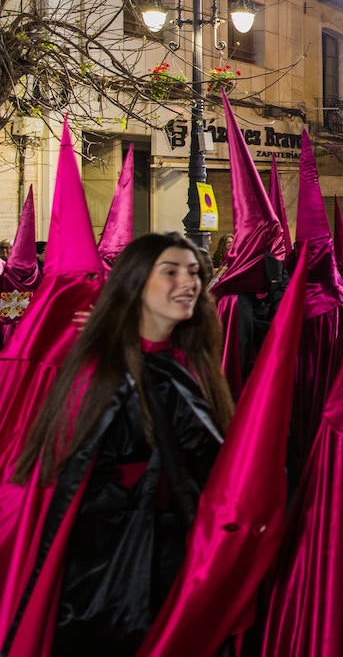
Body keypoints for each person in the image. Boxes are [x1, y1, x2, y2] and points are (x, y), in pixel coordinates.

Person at [8, 232, 232, 654]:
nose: (189, 283)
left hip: (165, 569)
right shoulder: (106, 372)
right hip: (113, 587)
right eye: (170, 272)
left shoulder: (181, 362)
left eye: (194, 272)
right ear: (134, 283)